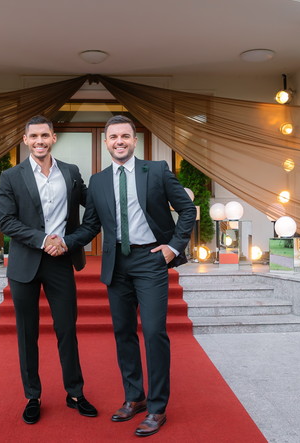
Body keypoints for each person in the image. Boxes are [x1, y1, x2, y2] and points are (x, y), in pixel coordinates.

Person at [53, 115, 195, 437]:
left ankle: (157, 408)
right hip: (116, 263)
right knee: (124, 333)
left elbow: (187, 209)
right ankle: (135, 397)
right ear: (106, 142)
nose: (119, 141)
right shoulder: (99, 181)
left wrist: (173, 247)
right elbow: (91, 225)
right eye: (114, 137)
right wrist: (65, 242)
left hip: (150, 259)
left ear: (134, 141)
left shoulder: (157, 170)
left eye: (125, 136)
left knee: (155, 332)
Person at [0, 115, 97, 424]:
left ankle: (75, 393)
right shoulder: (10, 176)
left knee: (67, 329)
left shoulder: (70, 172)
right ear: (25, 140)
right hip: (25, 263)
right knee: (27, 333)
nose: (39, 141)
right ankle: (33, 396)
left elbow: (93, 205)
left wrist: (67, 241)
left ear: (53, 138)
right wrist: (43, 240)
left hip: (61, 261)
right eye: (34, 136)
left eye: (45, 135)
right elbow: (6, 221)